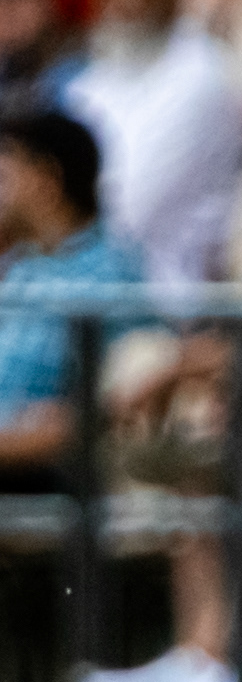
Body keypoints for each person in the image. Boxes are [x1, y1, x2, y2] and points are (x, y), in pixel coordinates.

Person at [59, 0, 242, 287]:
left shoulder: (202, 74)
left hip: (164, 298)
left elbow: (127, 213)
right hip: (79, 286)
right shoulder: (87, 82)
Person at [0, 113, 143, 482]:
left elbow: (119, 406)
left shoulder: (109, 279)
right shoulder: (24, 268)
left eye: (4, 178)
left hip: (40, 479)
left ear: (46, 181)